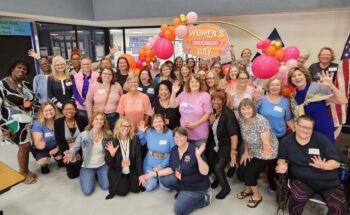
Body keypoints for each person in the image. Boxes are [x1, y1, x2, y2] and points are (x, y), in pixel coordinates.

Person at [276, 115, 347, 215]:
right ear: (295, 125)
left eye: (309, 128)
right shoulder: (286, 142)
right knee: (296, 200)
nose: (305, 130)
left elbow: (336, 162)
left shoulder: (321, 139)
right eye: (302, 126)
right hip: (302, 181)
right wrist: (283, 166)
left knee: (339, 209)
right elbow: (281, 159)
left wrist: (325, 165)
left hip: (328, 182)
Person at [142, 127, 212, 215]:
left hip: (195, 186)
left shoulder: (195, 150)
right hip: (183, 181)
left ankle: (204, 198)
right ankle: (182, 191)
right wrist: (155, 173)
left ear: (186, 137)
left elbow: (205, 172)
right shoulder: (174, 150)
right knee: (164, 179)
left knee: (178, 211)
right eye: (175, 137)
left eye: (180, 136)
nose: (178, 139)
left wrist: (198, 157)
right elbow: (172, 168)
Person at [0, 59, 37, 184]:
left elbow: (32, 101)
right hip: (12, 122)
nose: (22, 70)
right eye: (19, 67)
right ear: (12, 69)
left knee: (26, 146)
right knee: (24, 146)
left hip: (27, 121)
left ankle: (26, 170)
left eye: (24, 69)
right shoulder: (2, 84)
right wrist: (4, 127)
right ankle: (22, 173)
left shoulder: (26, 84)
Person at [236, 98, 279, 208]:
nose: (246, 111)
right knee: (242, 169)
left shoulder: (260, 120)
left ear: (253, 108)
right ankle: (249, 188)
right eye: (243, 108)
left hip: (267, 151)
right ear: (240, 110)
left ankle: (256, 195)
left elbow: (266, 143)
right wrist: (246, 152)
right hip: (252, 150)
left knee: (250, 172)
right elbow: (245, 138)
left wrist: (265, 153)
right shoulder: (241, 119)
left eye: (249, 108)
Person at [288, 66, 347, 144]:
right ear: (291, 80)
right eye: (294, 76)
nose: (297, 78)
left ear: (305, 76)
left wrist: (332, 86)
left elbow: (343, 100)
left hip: (322, 129)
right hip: (304, 131)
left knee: (326, 153)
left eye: (299, 74)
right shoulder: (294, 96)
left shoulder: (317, 88)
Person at [257, 77, 294, 190]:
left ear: (281, 87)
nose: (275, 87)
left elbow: (288, 118)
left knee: (274, 161)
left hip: (279, 136)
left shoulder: (285, 101)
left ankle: (271, 179)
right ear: (268, 87)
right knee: (262, 158)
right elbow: (253, 115)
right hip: (263, 136)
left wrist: (295, 130)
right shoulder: (261, 100)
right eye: (272, 85)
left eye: (277, 85)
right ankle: (257, 176)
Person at [63, 112, 110, 195]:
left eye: (101, 119)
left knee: (106, 186)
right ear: (92, 121)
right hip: (88, 166)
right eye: (96, 119)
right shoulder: (84, 135)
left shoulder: (107, 135)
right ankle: (91, 175)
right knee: (87, 191)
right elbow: (75, 147)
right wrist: (71, 152)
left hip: (102, 164)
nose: (99, 121)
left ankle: (97, 174)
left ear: (104, 123)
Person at [207, 90, 239, 199]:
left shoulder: (228, 114)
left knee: (218, 166)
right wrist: (211, 122)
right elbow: (215, 128)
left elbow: (234, 134)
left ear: (223, 101)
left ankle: (225, 188)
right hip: (217, 143)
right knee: (210, 161)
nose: (215, 101)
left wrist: (233, 151)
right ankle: (218, 178)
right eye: (213, 99)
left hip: (227, 145)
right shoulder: (215, 112)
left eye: (219, 99)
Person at [104, 117, 143, 199]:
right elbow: (109, 163)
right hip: (118, 171)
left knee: (136, 189)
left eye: (128, 126)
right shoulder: (111, 141)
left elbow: (138, 159)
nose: (126, 128)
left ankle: (129, 180)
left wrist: (140, 175)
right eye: (123, 126)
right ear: (118, 126)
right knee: (122, 192)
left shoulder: (135, 139)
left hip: (131, 170)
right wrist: (112, 155)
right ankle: (125, 181)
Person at [169, 73, 212, 146]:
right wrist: (173, 92)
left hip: (200, 135)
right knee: (186, 156)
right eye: (192, 82)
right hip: (184, 133)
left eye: (196, 82)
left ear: (200, 84)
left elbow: (208, 114)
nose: (194, 84)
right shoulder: (184, 94)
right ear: (188, 83)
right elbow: (172, 105)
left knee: (197, 156)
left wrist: (195, 124)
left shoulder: (205, 96)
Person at [137, 114, 175, 191]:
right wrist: (141, 132)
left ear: (164, 122)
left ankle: (158, 178)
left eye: (160, 121)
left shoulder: (170, 134)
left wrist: (161, 165)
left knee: (166, 188)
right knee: (148, 187)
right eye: (155, 122)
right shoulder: (149, 132)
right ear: (152, 124)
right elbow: (140, 143)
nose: (158, 124)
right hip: (149, 164)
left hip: (164, 165)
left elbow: (173, 153)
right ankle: (155, 179)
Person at [54, 101, 88, 179]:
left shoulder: (81, 120)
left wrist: (78, 151)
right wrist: (69, 153)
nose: (69, 111)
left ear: (76, 110)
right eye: (66, 109)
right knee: (72, 175)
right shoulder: (58, 123)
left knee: (81, 166)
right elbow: (59, 141)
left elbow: (87, 137)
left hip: (81, 149)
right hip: (67, 150)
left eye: (71, 109)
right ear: (62, 111)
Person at [31, 102, 62, 174]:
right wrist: (40, 145)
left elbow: (63, 137)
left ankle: (57, 157)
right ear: (42, 112)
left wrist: (57, 148)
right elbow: (37, 143)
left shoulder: (60, 120)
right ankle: (44, 165)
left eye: (51, 110)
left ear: (55, 110)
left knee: (61, 158)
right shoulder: (38, 124)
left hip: (56, 145)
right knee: (43, 160)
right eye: (46, 111)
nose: (49, 112)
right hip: (42, 148)